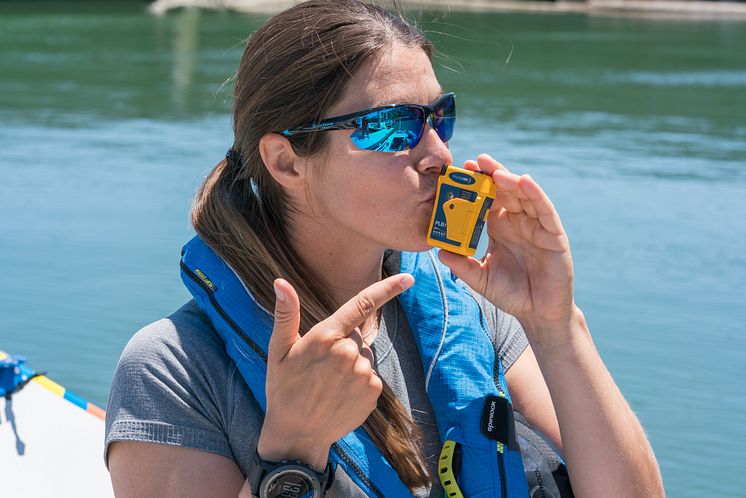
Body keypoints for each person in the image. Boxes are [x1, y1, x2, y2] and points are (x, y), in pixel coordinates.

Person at [105, 1, 664, 497]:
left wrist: (556, 323)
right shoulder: (172, 369)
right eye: (395, 128)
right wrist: (294, 451)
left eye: (438, 117)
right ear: (285, 161)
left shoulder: (476, 314)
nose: (440, 154)